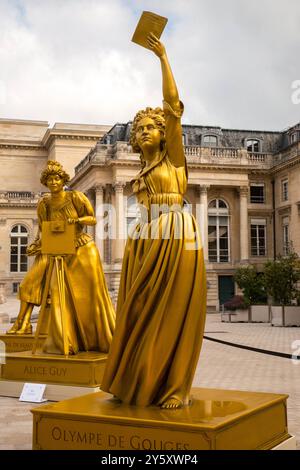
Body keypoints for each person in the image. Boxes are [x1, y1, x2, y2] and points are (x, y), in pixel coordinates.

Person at [101, 33, 207, 409]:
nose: (145, 131)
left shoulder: (174, 159)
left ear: (164, 135)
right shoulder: (142, 170)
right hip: (145, 236)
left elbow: (173, 105)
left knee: (171, 310)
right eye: (139, 128)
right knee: (138, 309)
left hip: (176, 234)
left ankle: (172, 385)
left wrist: (162, 56)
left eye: (151, 127)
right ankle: (136, 379)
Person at [7, 160, 115, 355]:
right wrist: (36, 245)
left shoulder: (76, 197)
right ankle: (64, 340)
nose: (54, 182)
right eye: (49, 180)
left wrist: (78, 220)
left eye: (57, 178)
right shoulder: (45, 203)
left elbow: (93, 218)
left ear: (63, 179)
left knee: (90, 296)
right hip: (56, 249)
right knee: (48, 291)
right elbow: (43, 230)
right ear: (45, 182)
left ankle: (94, 338)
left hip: (81, 248)